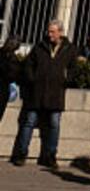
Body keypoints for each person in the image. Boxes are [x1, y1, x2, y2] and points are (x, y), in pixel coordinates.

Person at [10, 18, 78, 167]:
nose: (49, 34)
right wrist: (32, 79)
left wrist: (65, 79)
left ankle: (50, 156)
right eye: (48, 31)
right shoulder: (39, 46)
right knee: (28, 123)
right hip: (37, 93)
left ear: (60, 32)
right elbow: (28, 65)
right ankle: (20, 154)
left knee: (54, 125)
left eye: (52, 32)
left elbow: (74, 68)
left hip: (56, 94)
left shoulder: (70, 49)